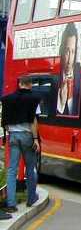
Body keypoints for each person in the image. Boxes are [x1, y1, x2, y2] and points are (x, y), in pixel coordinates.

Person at [1, 76, 41, 213]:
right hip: (27, 136)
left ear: (19, 84)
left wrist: (12, 131)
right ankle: (31, 198)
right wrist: (35, 139)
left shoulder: (7, 99)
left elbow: (4, 122)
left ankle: (11, 204)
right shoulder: (33, 99)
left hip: (12, 136)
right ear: (29, 84)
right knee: (30, 167)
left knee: (12, 169)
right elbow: (33, 121)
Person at [57, 22, 81, 116]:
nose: (70, 58)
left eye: (73, 52)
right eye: (67, 51)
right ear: (62, 51)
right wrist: (61, 104)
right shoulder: (56, 74)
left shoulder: (79, 71)